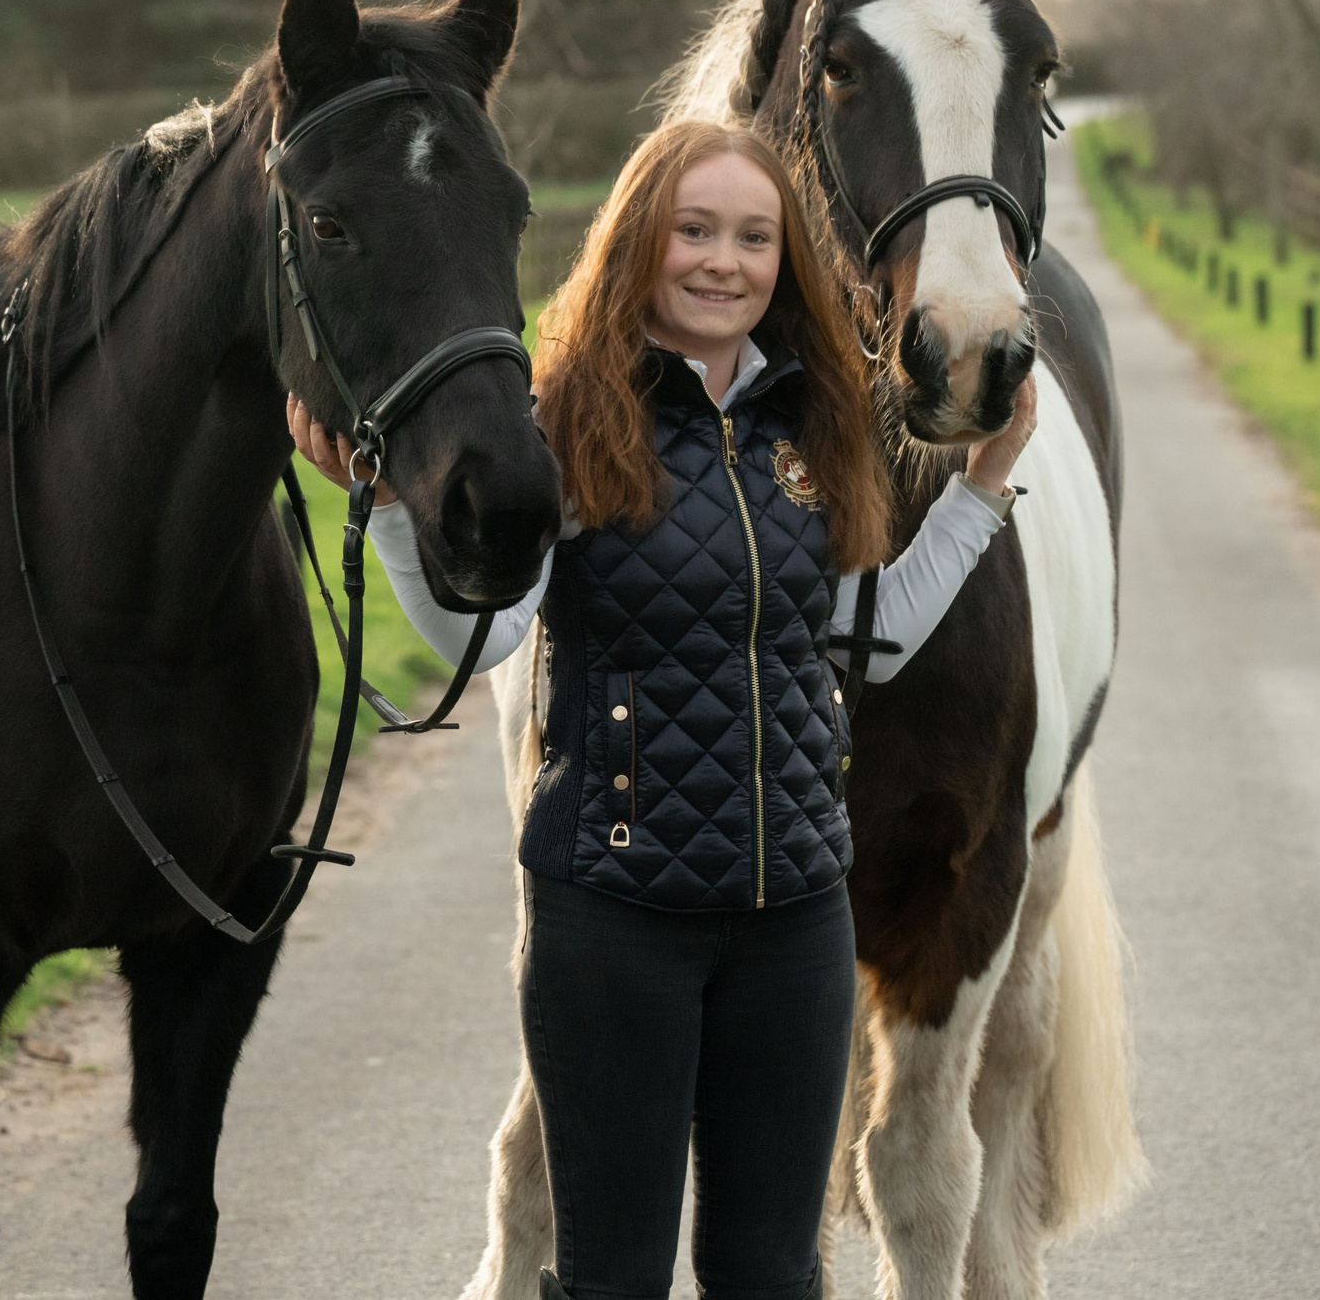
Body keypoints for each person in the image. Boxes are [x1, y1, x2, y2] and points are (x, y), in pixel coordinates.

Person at [288, 119, 1035, 1300]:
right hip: (614, 926)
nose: (723, 261)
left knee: (771, 1276)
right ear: (641, 239)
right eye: (695, 231)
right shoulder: (567, 418)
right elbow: (485, 636)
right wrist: (386, 513)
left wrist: (981, 496)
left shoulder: (813, 424)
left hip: (795, 923)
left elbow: (862, 638)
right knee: (614, 1280)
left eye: (753, 236)